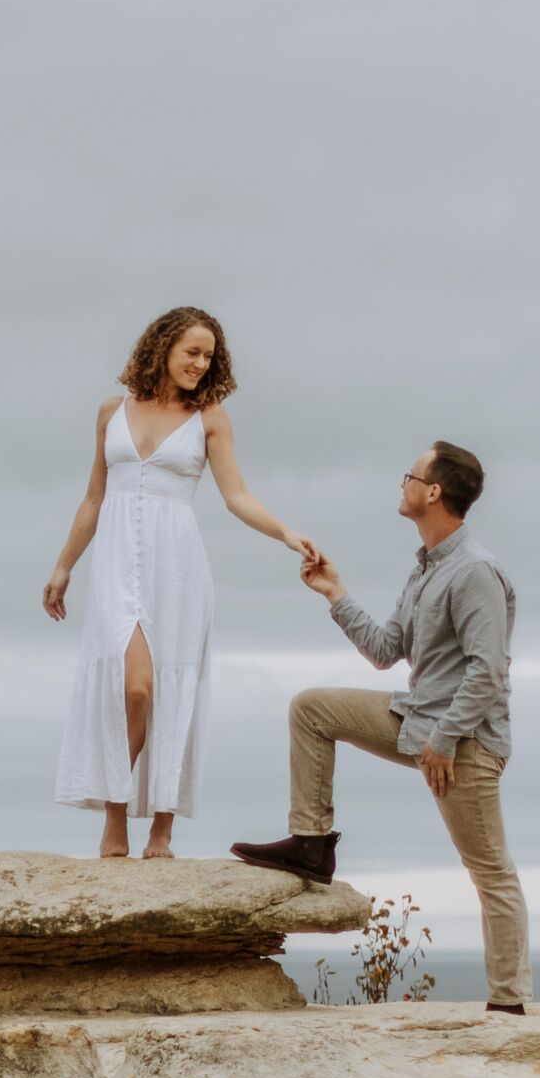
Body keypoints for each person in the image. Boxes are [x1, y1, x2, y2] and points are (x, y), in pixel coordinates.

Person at [231, 442, 532, 1014]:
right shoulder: (426, 568)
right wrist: (335, 593)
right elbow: (385, 650)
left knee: (490, 872)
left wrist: (444, 740)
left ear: (433, 491)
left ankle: (510, 1005)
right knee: (311, 707)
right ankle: (312, 845)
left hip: (463, 742)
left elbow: (489, 670)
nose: (403, 484)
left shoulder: (475, 572)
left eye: (409, 476)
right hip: (417, 720)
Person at [44, 307, 321, 858]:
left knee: (171, 691)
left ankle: (162, 830)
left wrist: (287, 534)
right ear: (163, 347)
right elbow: (94, 498)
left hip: (178, 570)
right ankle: (115, 815)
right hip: (116, 563)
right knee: (134, 689)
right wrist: (63, 565)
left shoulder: (209, 417)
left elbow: (236, 495)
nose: (200, 363)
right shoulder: (111, 412)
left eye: (209, 357)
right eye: (192, 352)